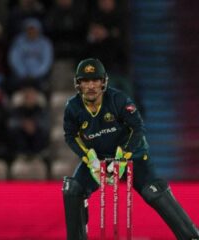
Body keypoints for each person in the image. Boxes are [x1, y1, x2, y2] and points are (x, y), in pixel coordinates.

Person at [62, 58, 199, 239]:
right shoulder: (73, 107)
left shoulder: (118, 99)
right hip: (99, 160)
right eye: (85, 81)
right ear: (78, 84)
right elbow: (70, 136)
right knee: (73, 189)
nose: (91, 86)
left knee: (154, 191)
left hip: (132, 156)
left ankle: (192, 236)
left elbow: (138, 128)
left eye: (95, 80)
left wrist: (124, 156)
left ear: (103, 82)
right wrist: (88, 158)